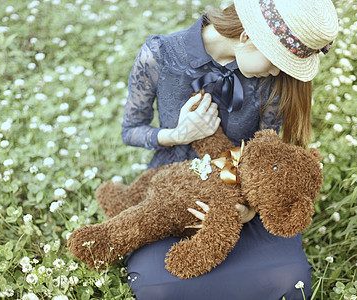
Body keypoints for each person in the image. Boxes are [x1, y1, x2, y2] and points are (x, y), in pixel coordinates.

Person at [120, 0, 338, 299]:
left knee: (290, 277)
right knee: (157, 283)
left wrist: (247, 209)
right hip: (172, 188)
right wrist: (178, 134)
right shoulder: (159, 54)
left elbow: (267, 150)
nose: (277, 73)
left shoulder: (273, 82)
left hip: (241, 189)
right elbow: (130, 130)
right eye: (276, 61)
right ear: (248, 38)